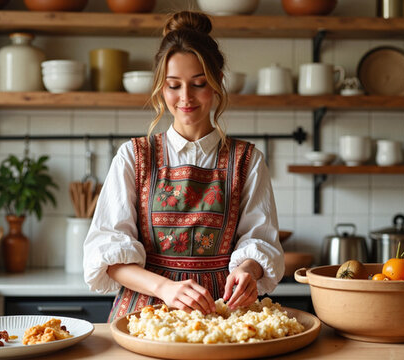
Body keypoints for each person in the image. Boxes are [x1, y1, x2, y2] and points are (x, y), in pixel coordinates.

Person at [83, 11, 284, 322]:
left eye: (198, 83)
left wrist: (248, 270)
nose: (185, 97)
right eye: (173, 85)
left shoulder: (248, 161)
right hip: (146, 312)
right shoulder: (133, 156)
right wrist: (165, 288)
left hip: (219, 314)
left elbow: (260, 241)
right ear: (161, 89)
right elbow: (108, 255)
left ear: (216, 85)